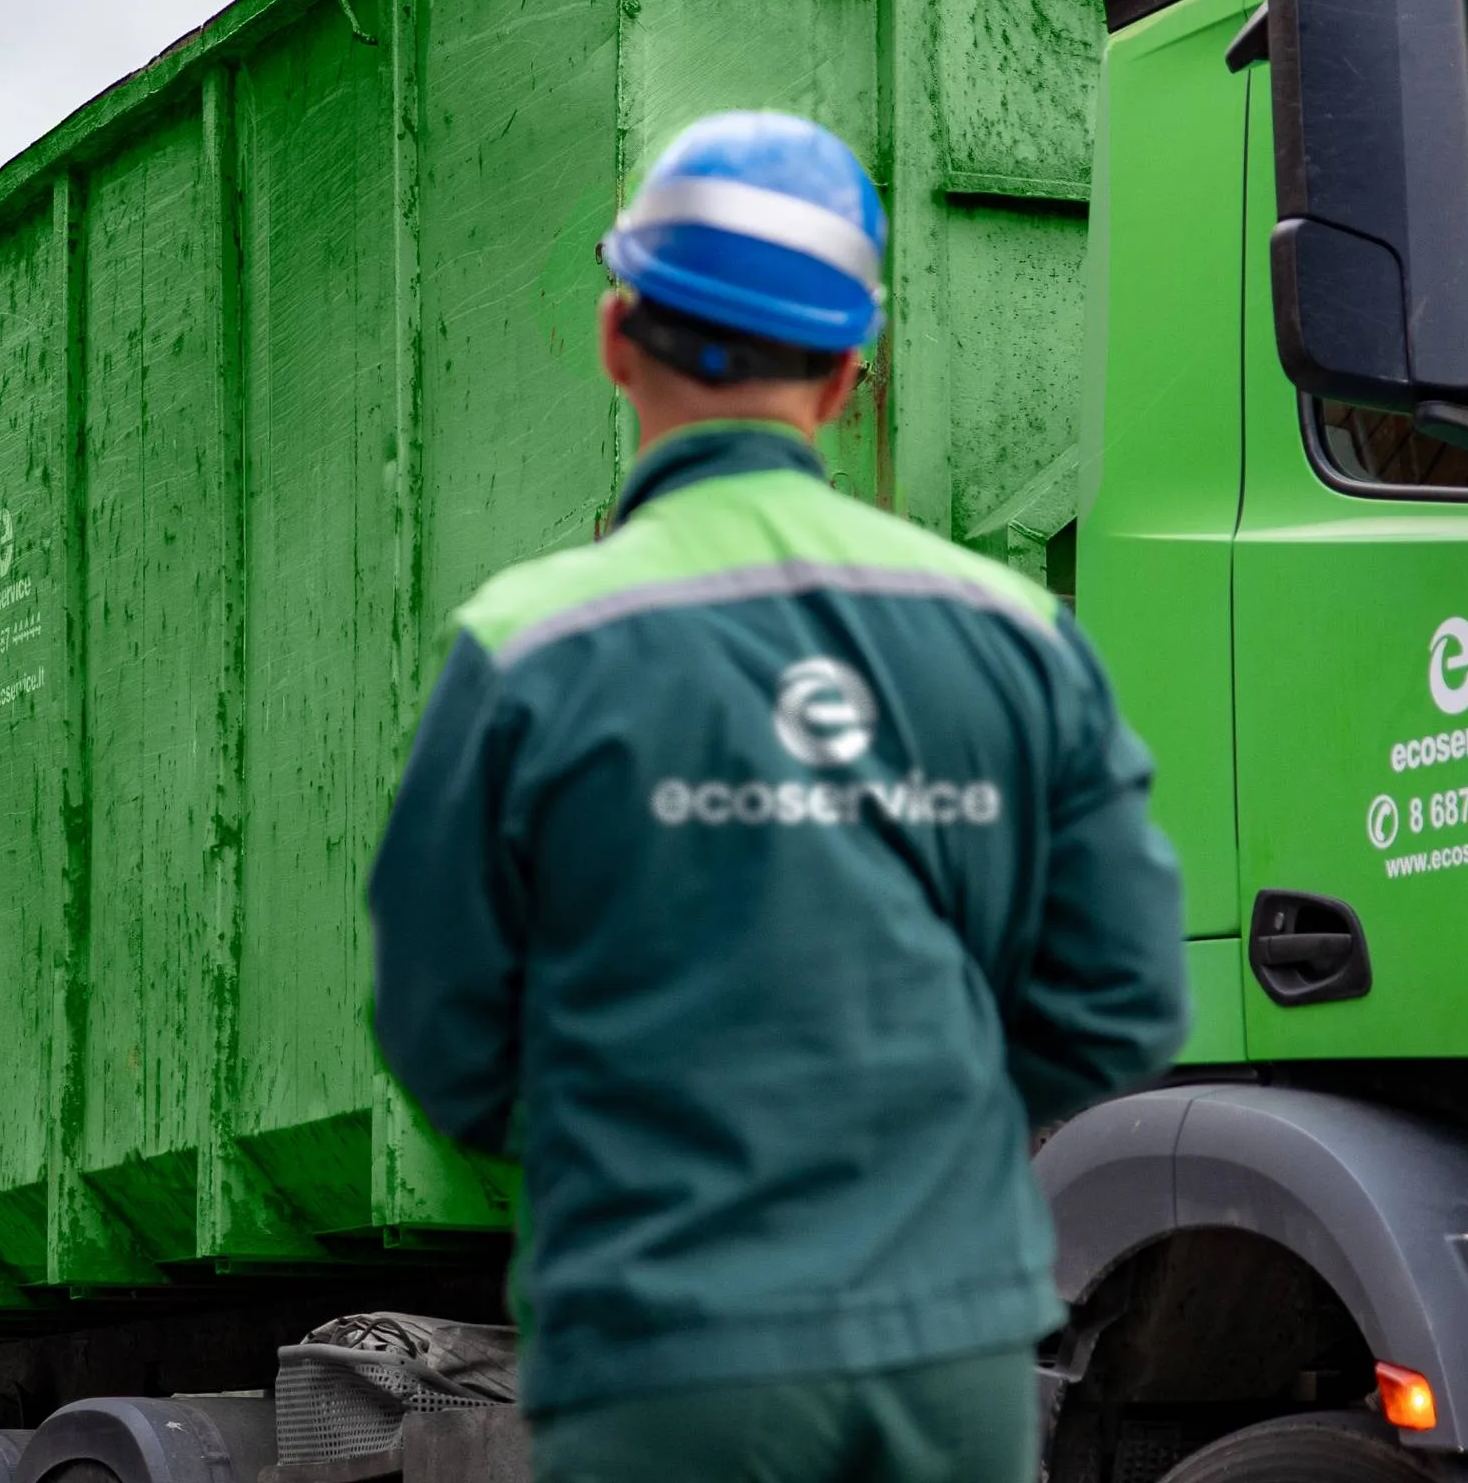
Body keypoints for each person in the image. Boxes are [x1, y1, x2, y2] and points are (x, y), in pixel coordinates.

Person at [367, 110, 1190, 1483]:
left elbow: (438, 1022)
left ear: (617, 339)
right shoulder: (1012, 635)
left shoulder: (532, 645)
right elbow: (1127, 998)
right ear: (850, 376)